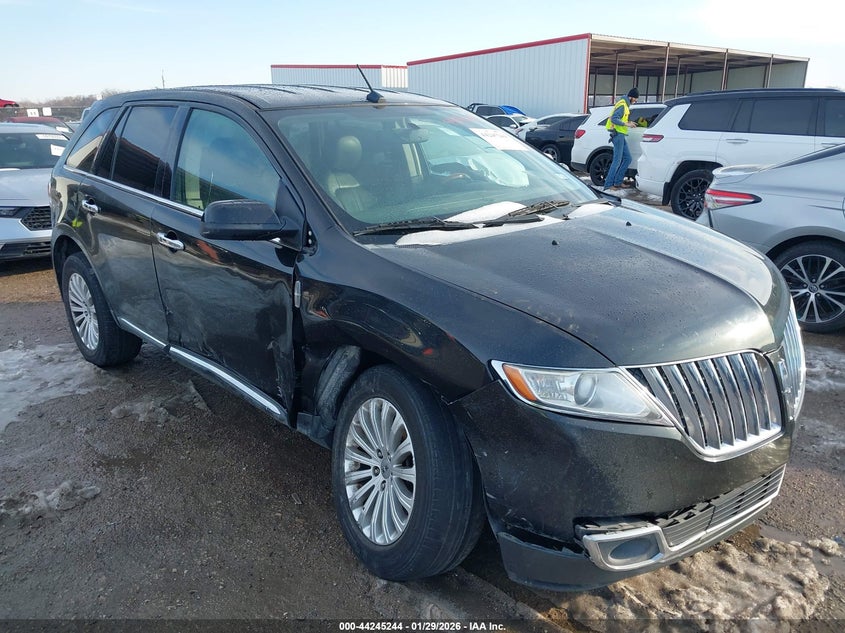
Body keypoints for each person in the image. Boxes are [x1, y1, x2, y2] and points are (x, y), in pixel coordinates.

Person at [603, 88, 640, 191]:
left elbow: (620, 118)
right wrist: (626, 124)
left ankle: (618, 182)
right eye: (635, 98)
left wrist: (629, 122)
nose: (636, 101)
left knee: (628, 158)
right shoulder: (623, 105)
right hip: (617, 135)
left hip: (621, 135)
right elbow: (614, 119)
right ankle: (608, 185)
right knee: (617, 161)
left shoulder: (625, 105)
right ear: (631, 97)